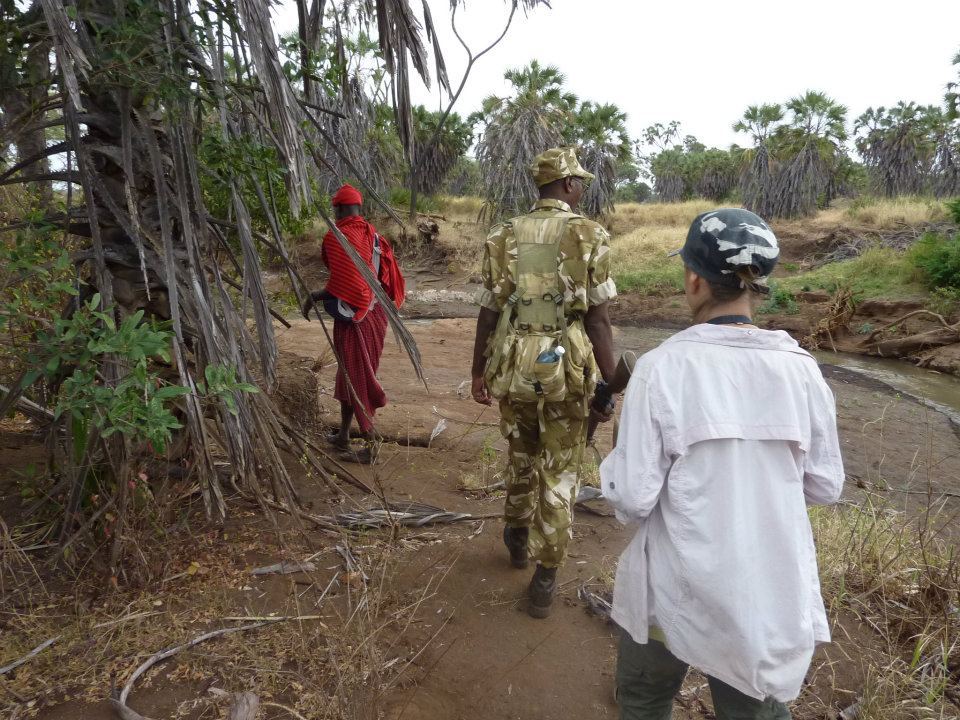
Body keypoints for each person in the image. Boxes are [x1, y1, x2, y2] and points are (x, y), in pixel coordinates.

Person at [600, 208, 845, 719]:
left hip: (671, 591)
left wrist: (614, 460)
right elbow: (825, 486)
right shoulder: (802, 371)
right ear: (759, 285)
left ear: (694, 279)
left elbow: (631, 499)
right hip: (765, 596)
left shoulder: (662, 368)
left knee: (644, 702)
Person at [471, 147, 617, 618]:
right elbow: (598, 320)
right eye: (580, 182)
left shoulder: (501, 235)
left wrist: (478, 371)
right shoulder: (588, 234)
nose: (582, 188)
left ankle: (515, 538)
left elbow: (488, 312)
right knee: (560, 469)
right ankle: (546, 576)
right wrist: (610, 383)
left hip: (514, 364)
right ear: (568, 185)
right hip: (566, 370)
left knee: (521, 453)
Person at [302, 183, 405, 464]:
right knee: (348, 374)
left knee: (358, 377)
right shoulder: (373, 236)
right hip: (377, 315)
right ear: (358, 208)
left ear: (337, 209)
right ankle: (345, 435)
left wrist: (317, 295)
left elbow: (347, 284)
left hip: (356, 319)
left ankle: (372, 446)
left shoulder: (337, 236)